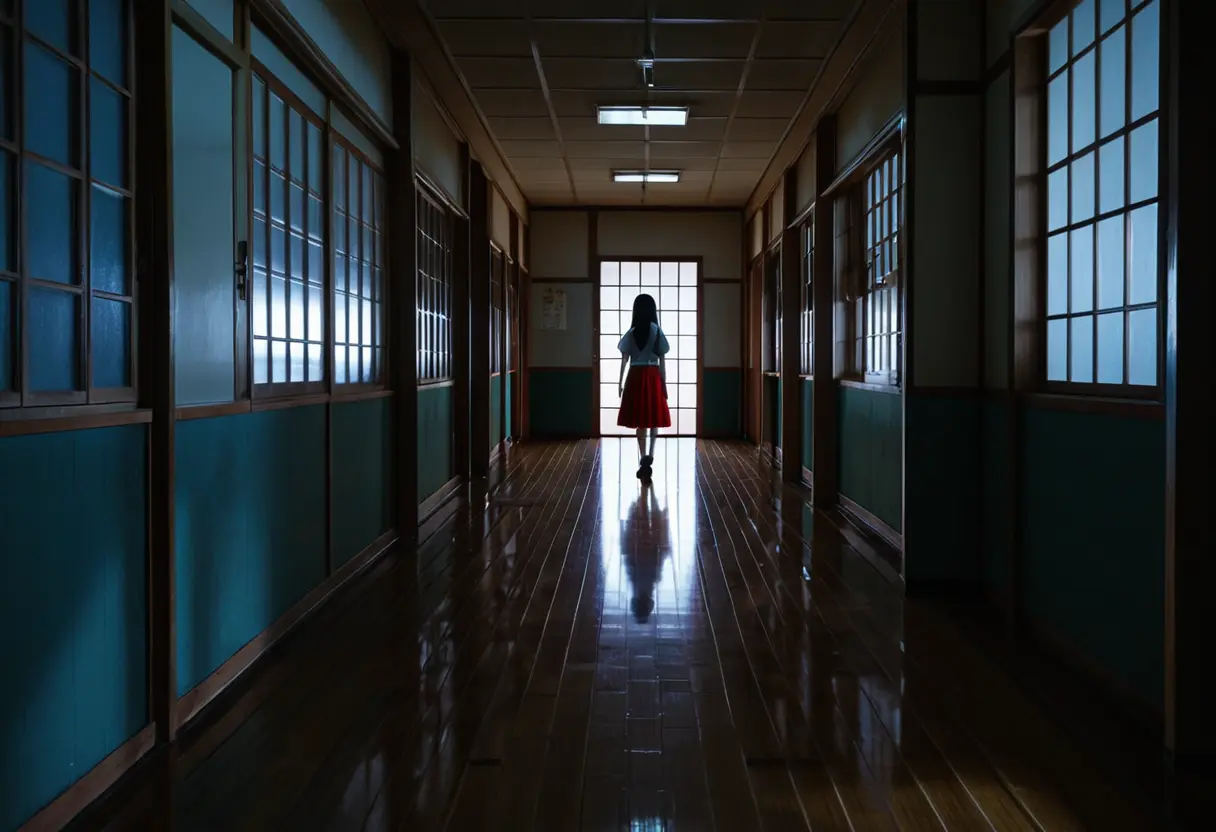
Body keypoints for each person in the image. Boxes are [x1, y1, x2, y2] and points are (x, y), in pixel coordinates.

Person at [617, 293, 671, 480]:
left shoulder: (631, 333)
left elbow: (624, 360)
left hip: (635, 376)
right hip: (653, 376)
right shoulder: (657, 331)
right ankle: (651, 455)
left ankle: (642, 457)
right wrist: (664, 383)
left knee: (640, 419)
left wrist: (620, 382)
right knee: (653, 416)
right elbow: (662, 361)